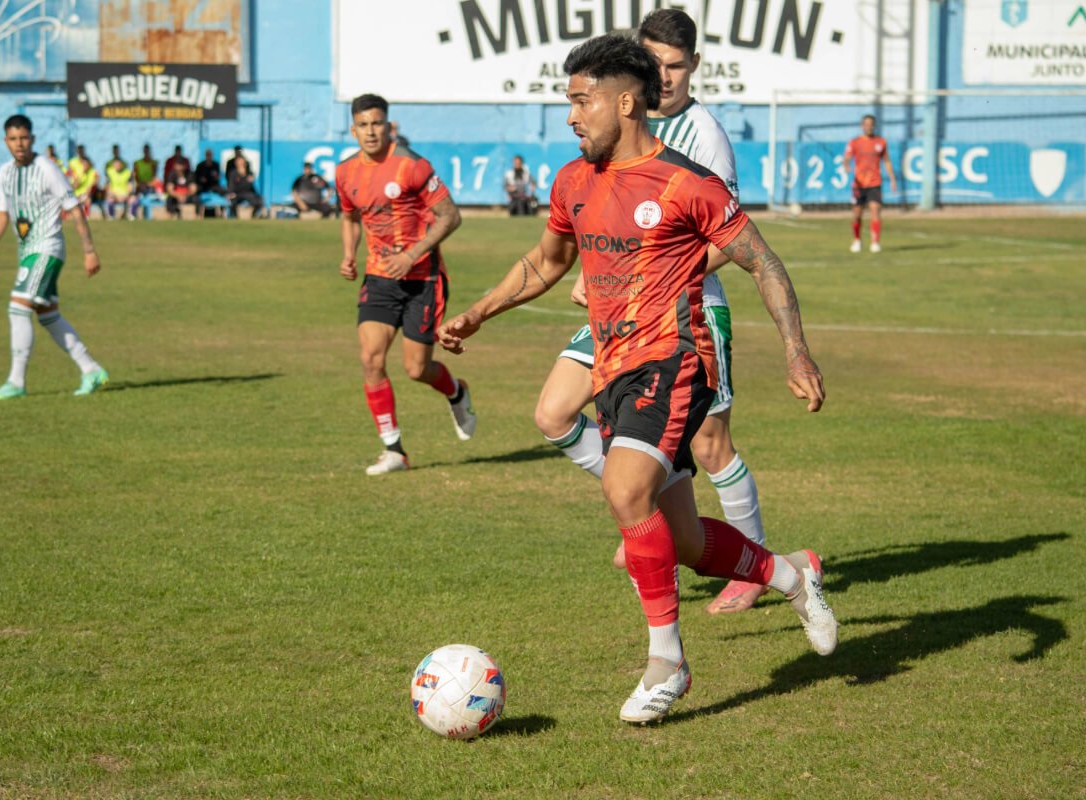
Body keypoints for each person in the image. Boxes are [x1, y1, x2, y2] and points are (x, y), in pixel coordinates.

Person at [436, 34, 837, 724]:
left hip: (676, 357)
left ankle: (667, 663)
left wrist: (796, 351)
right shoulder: (573, 182)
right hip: (615, 361)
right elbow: (545, 262)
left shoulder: (685, 182)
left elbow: (763, 262)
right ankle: (790, 577)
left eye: (581, 100)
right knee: (682, 543)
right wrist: (477, 312)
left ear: (625, 102)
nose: (570, 115)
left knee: (626, 489)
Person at [532, 9, 772, 615]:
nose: (663, 76)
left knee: (714, 442)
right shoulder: (613, 139)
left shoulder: (702, 135)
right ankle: (637, 501)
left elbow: (728, 238)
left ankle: (753, 564)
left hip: (686, 315)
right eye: (653, 63)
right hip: (619, 314)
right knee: (554, 411)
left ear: (693, 66)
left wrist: (648, 276)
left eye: (674, 65)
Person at [336, 93, 475, 475]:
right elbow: (349, 216)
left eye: (376, 123)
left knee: (417, 369)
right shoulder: (345, 172)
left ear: (388, 126)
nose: (370, 131)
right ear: (353, 129)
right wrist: (349, 254)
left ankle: (456, 392)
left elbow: (450, 216)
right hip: (379, 279)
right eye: (363, 125)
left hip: (423, 279)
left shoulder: (412, 166)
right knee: (370, 359)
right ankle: (394, 450)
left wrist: (412, 254)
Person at [0, 115, 108, 400]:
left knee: (18, 308)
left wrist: (89, 250)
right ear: (6, 142)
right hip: (27, 252)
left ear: (33, 139)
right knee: (48, 315)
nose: (19, 144)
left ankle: (16, 381)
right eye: (13, 139)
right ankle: (91, 370)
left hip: (46, 249)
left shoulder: (47, 168)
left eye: (24, 138)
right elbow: (2, 212)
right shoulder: (4, 173)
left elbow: (74, 209)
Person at [843, 114, 897, 253]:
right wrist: (847, 165)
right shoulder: (855, 142)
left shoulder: (880, 142)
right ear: (862, 126)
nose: (868, 126)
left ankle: (875, 242)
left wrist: (892, 178)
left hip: (874, 182)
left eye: (870, 124)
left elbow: (886, 161)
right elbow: (847, 157)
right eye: (866, 124)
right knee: (857, 214)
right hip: (859, 184)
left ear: (874, 125)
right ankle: (857, 240)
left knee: (875, 210)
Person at [66, 146, 98, 218]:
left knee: (87, 199)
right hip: (75, 194)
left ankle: (86, 215)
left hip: (84, 194)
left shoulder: (91, 173)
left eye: (86, 163)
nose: (85, 165)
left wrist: (90, 188)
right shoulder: (75, 168)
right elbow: (74, 185)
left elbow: (96, 180)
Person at [193, 148, 224, 217]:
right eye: (208, 155)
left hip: (213, 186)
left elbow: (218, 177)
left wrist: (216, 177)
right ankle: (198, 213)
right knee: (197, 194)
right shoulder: (200, 166)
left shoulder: (215, 165)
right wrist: (201, 180)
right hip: (203, 186)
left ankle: (223, 212)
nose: (209, 156)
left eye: (210, 155)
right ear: (205, 155)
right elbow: (196, 177)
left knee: (222, 191)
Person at [104, 152, 135, 220]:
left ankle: (130, 216)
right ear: (113, 165)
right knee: (109, 199)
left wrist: (126, 195)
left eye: (118, 164)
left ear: (121, 164)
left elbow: (130, 186)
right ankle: (111, 216)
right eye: (115, 164)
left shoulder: (127, 173)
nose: (117, 165)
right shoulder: (110, 172)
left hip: (124, 194)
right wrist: (114, 194)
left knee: (133, 199)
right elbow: (107, 186)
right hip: (114, 194)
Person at [133, 144, 161, 218]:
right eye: (145, 150)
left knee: (148, 197)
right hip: (140, 187)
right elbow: (135, 177)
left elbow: (154, 177)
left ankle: (148, 216)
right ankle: (133, 214)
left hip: (149, 187)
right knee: (136, 197)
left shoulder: (153, 163)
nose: (146, 152)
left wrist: (147, 184)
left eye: (147, 150)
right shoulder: (137, 163)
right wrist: (140, 184)